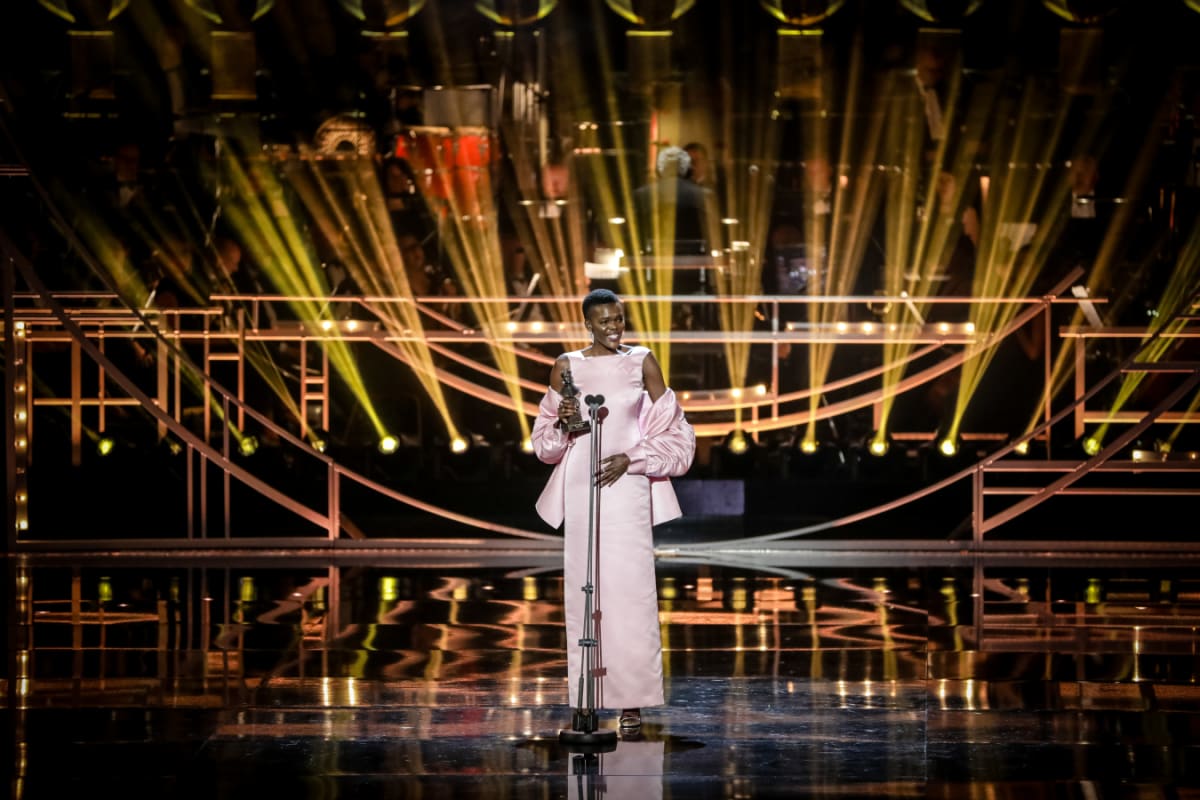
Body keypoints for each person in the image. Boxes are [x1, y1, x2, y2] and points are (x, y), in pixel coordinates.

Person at [531, 288, 696, 733]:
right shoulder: (567, 365)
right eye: (603, 320)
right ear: (587, 323)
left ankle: (632, 704)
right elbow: (543, 443)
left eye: (618, 318)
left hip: (626, 488)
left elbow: (675, 432)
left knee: (630, 595)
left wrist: (633, 458)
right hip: (583, 487)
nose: (613, 326)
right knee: (585, 593)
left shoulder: (642, 360)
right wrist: (563, 424)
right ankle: (585, 697)